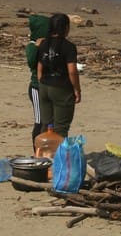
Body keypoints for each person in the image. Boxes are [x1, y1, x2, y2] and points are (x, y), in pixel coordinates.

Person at [36, 13, 81, 137]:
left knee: (46, 125)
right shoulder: (69, 47)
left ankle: (43, 154)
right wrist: (77, 90)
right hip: (62, 88)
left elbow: (39, 67)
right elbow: (72, 71)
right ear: (66, 28)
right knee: (61, 128)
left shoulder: (43, 43)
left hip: (45, 86)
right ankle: (57, 155)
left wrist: (42, 82)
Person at [26, 14, 50, 150]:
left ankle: (47, 149)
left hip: (50, 88)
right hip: (36, 88)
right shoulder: (31, 46)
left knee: (49, 122)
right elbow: (31, 62)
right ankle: (37, 151)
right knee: (40, 121)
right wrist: (37, 47)